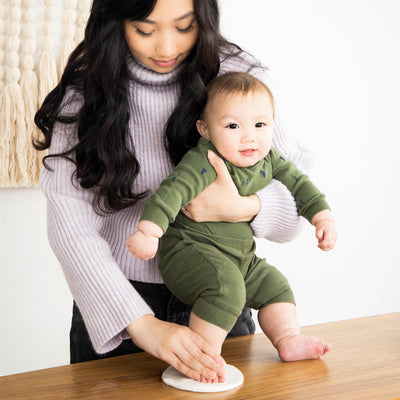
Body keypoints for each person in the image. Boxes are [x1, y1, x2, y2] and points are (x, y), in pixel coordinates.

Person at [35, 0, 311, 382]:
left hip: (225, 291)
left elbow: (296, 187)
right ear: (115, 22)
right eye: (145, 30)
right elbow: (69, 222)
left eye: (184, 27)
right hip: (121, 305)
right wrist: (140, 322)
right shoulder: (86, 95)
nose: (166, 48)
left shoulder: (235, 75)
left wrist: (244, 207)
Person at [126, 72, 337, 383]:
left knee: (276, 286)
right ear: (206, 129)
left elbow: (301, 185)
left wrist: (323, 217)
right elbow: (172, 192)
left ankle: (288, 339)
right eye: (233, 126)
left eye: (260, 125)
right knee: (226, 287)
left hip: (239, 257)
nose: (249, 137)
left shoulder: (271, 159)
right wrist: (149, 231)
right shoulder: (206, 160)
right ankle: (202, 359)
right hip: (188, 252)